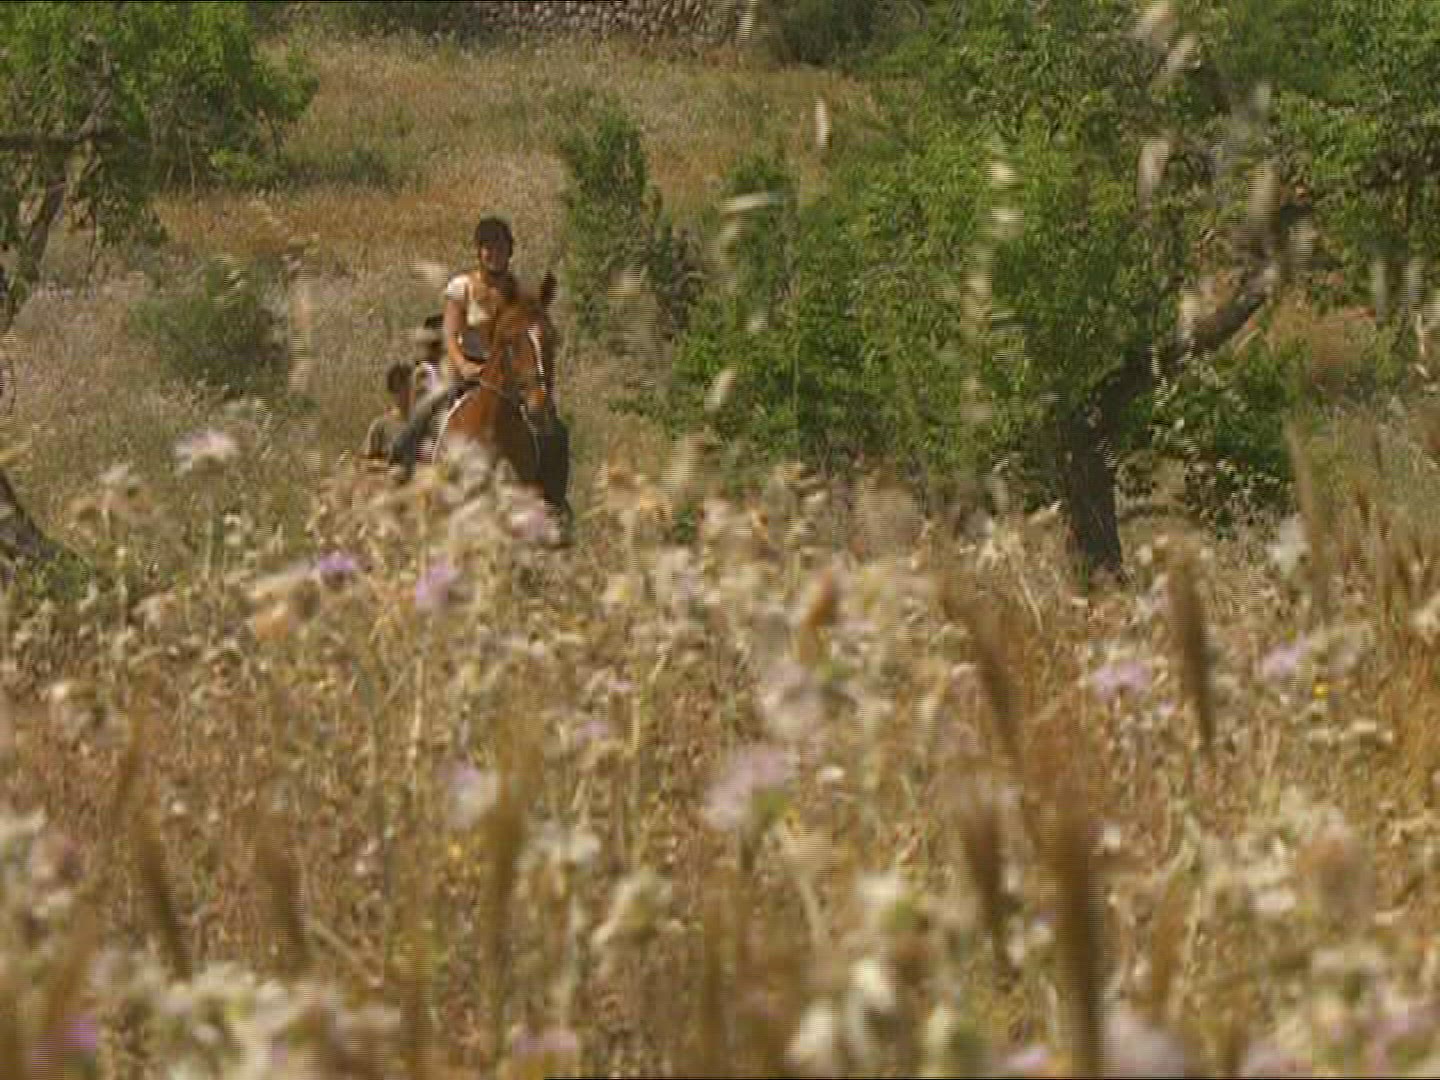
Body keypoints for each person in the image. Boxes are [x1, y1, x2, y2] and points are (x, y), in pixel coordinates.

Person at [388, 216, 520, 474]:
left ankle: (553, 490)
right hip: (466, 372)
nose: (495, 253)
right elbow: (450, 335)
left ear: (510, 250)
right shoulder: (462, 287)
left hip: (505, 376)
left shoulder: (517, 291)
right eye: (489, 247)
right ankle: (401, 463)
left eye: (501, 247)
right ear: (479, 251)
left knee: (551, 426)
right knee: (428, 410)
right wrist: (464, 365)